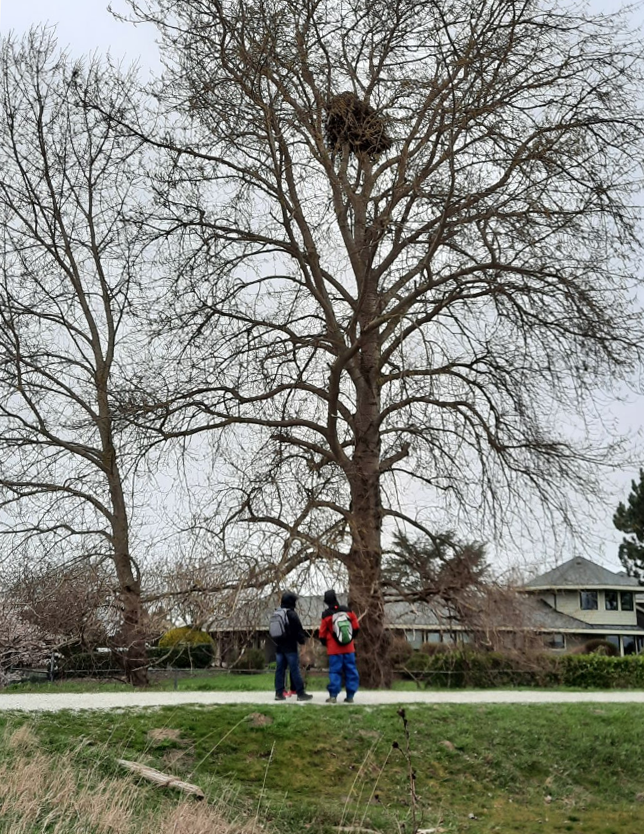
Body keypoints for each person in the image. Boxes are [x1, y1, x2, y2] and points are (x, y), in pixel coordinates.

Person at [318, 589, 360, 703]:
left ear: (326, 601)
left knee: (335, 672)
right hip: (349, 648)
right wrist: (349, 639)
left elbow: (321, 634)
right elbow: (356, 628)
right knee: (351, 670)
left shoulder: (326, 615)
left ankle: (333, 696)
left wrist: (327, 643)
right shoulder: (348, 611)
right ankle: (350, 696)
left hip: (334, 650)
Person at [270, 591, 313, 701]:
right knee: (294, 669)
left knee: (280, 670)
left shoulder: (277, 613)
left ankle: (279, 693)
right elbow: (298, 631)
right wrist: (302, 644)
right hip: (290, 647)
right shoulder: (291, 614)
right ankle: (300, 693)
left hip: (279, 647)